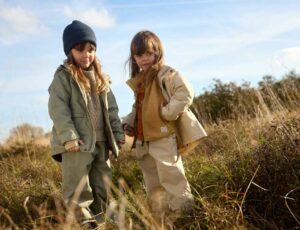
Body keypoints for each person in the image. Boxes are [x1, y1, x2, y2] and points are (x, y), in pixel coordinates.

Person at [122, 30, 207, 223]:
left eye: (148, 54)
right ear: (134, 57)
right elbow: (139, 108)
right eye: (139, 55)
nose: (144, 59)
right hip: (144, 141)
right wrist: (128, 122)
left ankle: (185, 218)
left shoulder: (167, 73)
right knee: (153, 184)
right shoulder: (142, 80)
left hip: (163, 136)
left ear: (157, 53)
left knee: (172, 178)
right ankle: (161, 221)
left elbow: (185, 92)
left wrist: (167, 113)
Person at [48, 20, 125, 227]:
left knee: (103, 182)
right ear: (69, 51)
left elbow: (112, 110)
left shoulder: (102, 79)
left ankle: (104, 218)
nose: (86, 54)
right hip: (77, 143)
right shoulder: (63, 77)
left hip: (101, 141)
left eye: (91, 49)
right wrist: (69, 137)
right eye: (79, 49)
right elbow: (59, 110)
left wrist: (117, 134)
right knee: (78, 185)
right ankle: (84, 221)